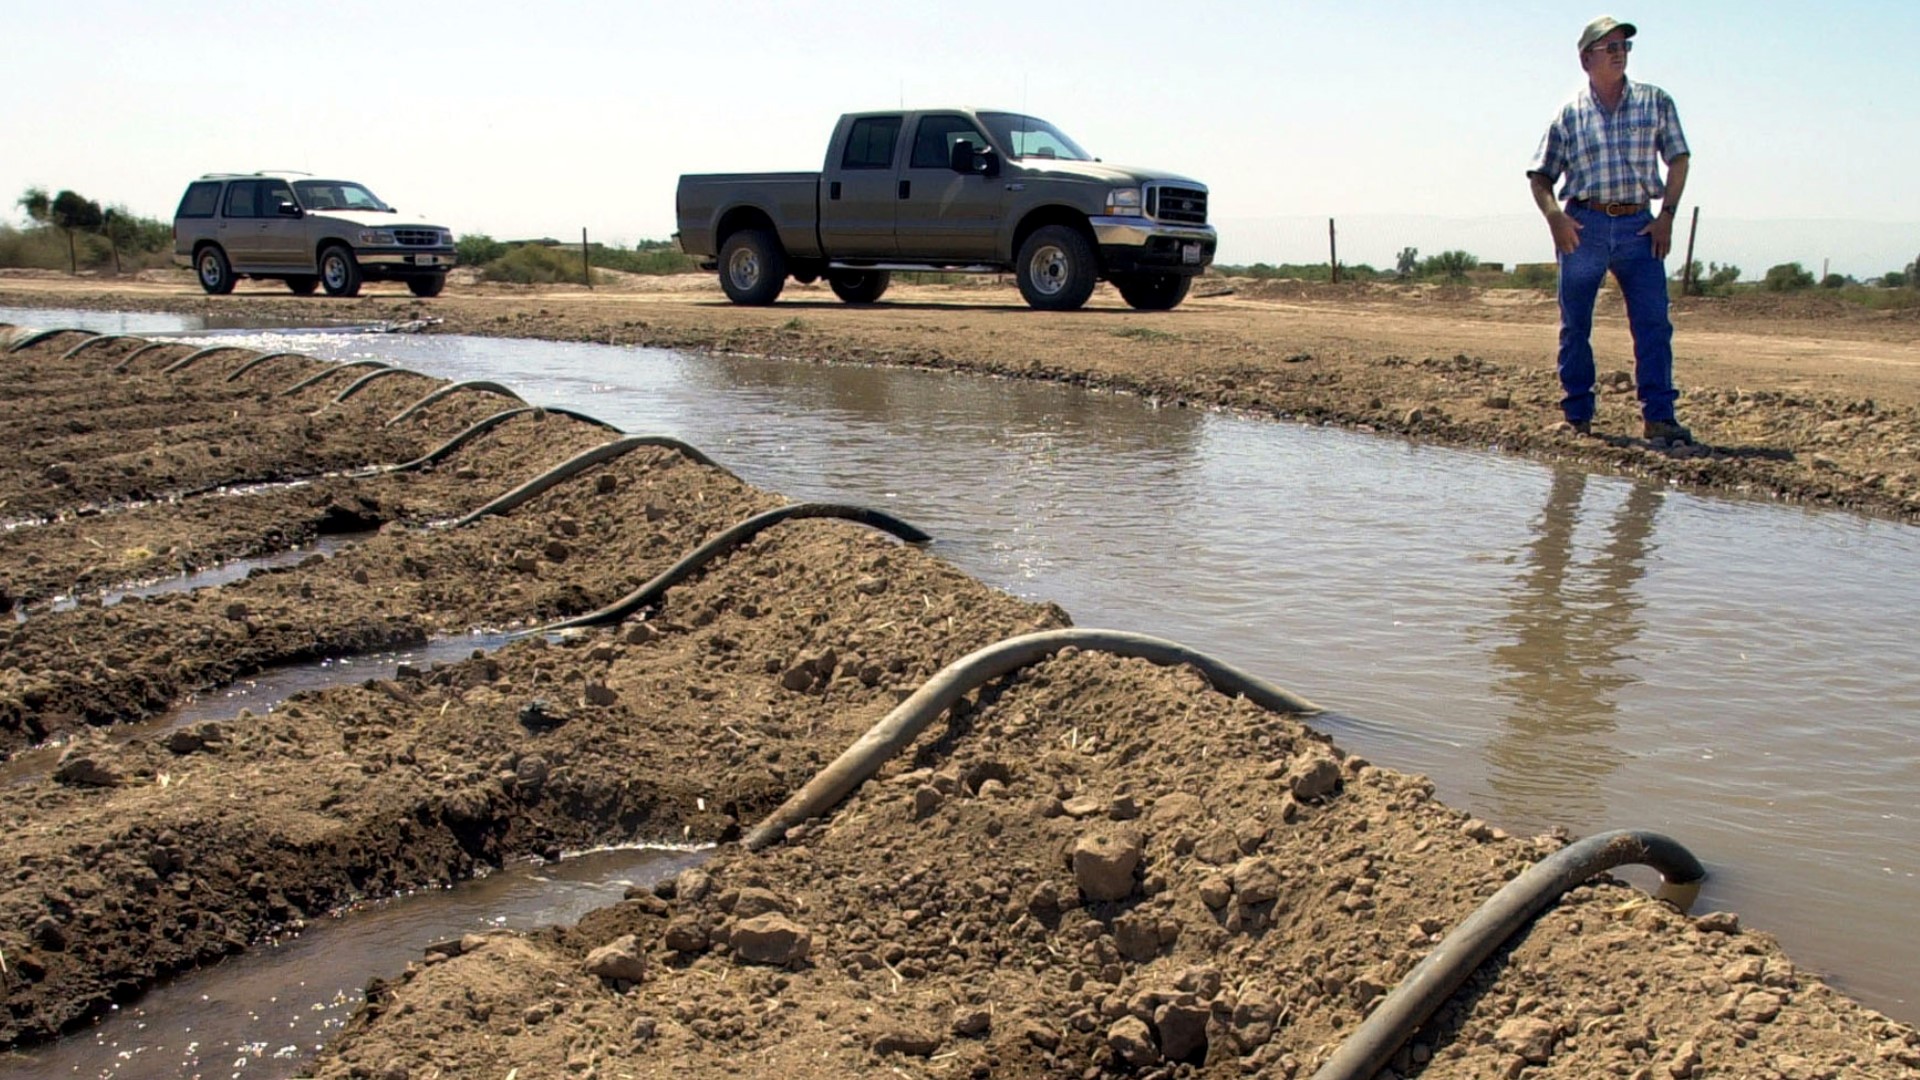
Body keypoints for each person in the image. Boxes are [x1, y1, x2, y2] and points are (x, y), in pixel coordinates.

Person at [1527, 15, 1694, 446]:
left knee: (1654, 323)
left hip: (1640, 226)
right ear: (1586, 60)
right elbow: (1539, 175)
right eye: (1609, 46)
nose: (1619, 52)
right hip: (1586, 225)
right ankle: (1576, 416)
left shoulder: (1656, 103)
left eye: (1624, 46)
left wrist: (1667, 216)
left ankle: (1659, 418)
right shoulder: (1570, 115)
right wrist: (1555, 219)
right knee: (1575, 324)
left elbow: (1678, 159)